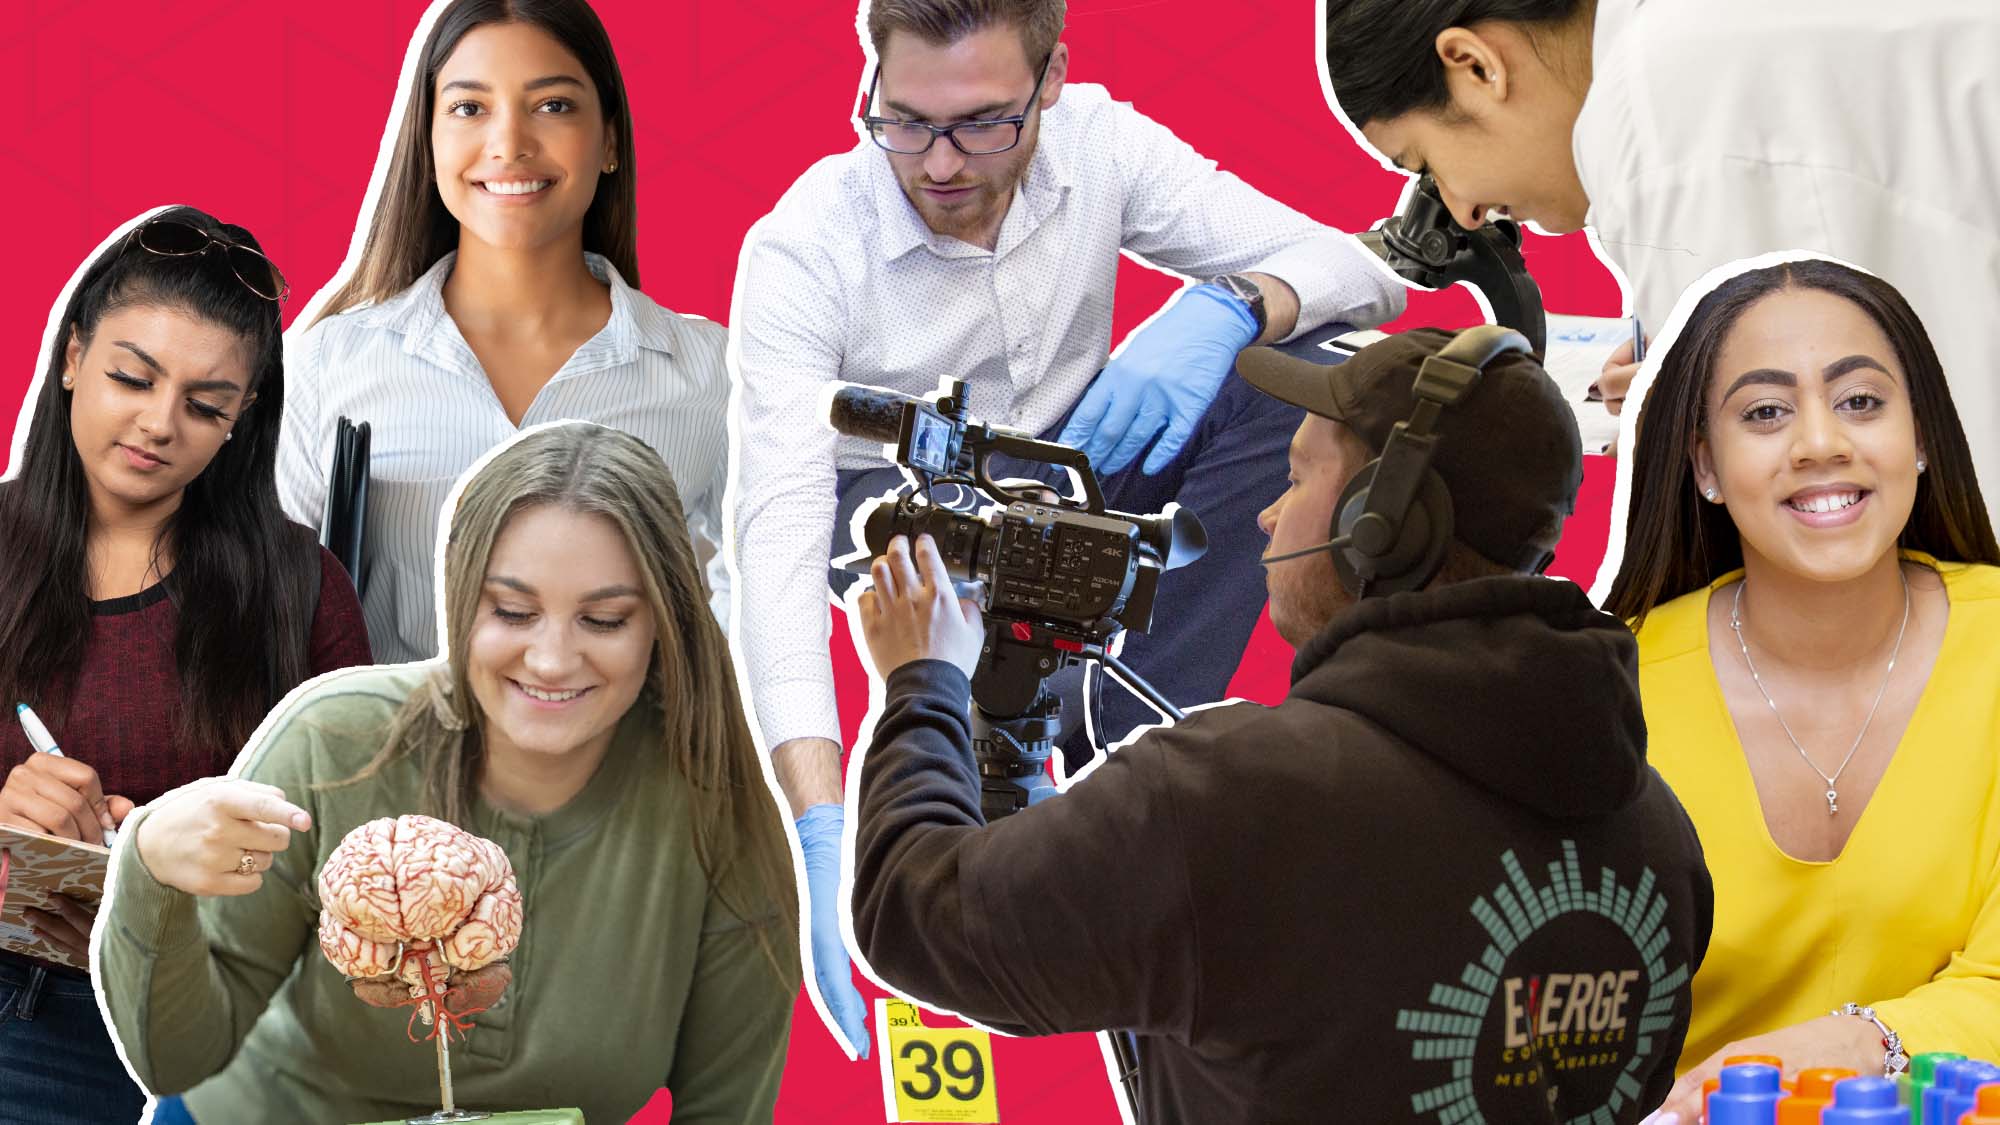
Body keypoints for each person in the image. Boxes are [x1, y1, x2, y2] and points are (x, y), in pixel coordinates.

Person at [732, 0, 1406, 1055]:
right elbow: (769, 532)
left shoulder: (1101, 144)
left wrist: (1227, 305)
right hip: (903, 509)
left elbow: (1359, 272)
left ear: (1050, 79)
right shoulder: (806, 247)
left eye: (982, 124)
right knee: (933, 561)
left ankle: (1124, 745)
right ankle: (1009, 740)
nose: (938, 165)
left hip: (1078, 460)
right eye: (903, 121)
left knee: (1311, 379)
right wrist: (817, 823)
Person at [848, 327, 1713, 1123]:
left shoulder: (1230, 796)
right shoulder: (1664, 844)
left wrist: (922, 680)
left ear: (1382, 525)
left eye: (1296, 479)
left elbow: (915, 914)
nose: (1266, 516)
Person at [100, 423, 799, 1125]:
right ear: (461, 598)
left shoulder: (718, 810)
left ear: (663, 620)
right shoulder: (332, 740)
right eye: (514, 611)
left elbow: (726, 1108)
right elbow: (176, 1057)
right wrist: (151, 865)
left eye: (605, 618)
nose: (552, 659)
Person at [1318, 0, 2000, 517]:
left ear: (1475, 65)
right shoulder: (1690, 44)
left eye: (1424, 161)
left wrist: (1697, 426)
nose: (1462, 211)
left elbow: (1795, 500)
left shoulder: (1664, 113)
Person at [1599, 257, 2000, 1122]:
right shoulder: (1608, 692)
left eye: (1860, 400)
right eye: (1766, 411)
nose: (1820, 442)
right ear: (1704, 465)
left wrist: (1842, 1046)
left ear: (1922, 435)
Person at [0, 206, 371, 1125]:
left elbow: (359, 844)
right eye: (133, 375)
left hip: (226, 1031)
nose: (160, 425)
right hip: (26, 1013)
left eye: (207, 405)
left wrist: (199, 847)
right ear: (74, 353)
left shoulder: (299, 586)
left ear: (244, 421)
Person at [280, 0, 731, 666]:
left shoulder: (711, 375)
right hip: (391, 767)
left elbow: (765, 618)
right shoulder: (326, 367)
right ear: (427, 138)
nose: (509, 144)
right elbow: (251, 616)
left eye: (552, 106)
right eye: (469, 108)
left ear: (609, 139)